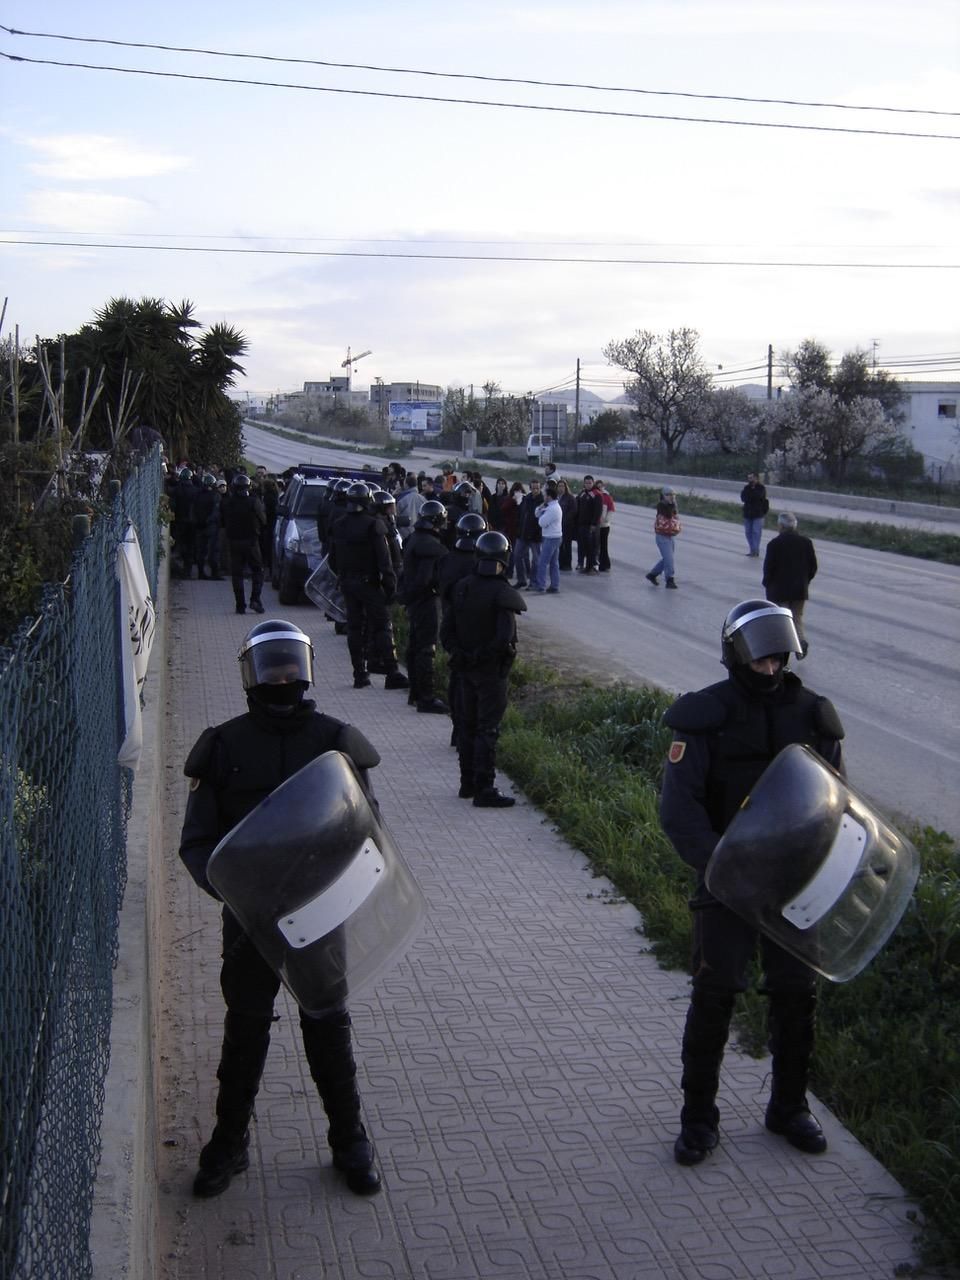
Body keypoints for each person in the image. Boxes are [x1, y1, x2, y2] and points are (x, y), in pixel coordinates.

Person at [179, 619, 383, 1198]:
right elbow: (198, 845)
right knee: (244, 1028)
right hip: (249, 919)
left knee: (327, 1026)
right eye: (273, 666)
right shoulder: (222, 746)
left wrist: (334, 882)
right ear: (252, 675)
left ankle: (350, 1140)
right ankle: (229, 1141)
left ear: (308, 668)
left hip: (319, 913)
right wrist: (235, 893)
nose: (283, 676)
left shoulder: (336, 741)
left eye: (291, 664)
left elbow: (368, 828)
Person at [659, 600, 845, 1167]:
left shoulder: (814, 714)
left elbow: (837, 800)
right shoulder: (703, 715)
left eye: (778, 658)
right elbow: (679, 807)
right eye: (761, 659)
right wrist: (718, 866)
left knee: (796, 997)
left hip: (794, 885)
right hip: (727, 880)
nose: (771, 668)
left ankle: (789, 1107)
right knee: (715, 995)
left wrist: (825, 866)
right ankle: (698, 1118)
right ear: (738, 655)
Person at [440, 531, 526, 808]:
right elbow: (504, 638)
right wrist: (480, 656)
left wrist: (462, 654)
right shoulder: (502, 593)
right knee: (487, 730)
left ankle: (467, 783)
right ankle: (484, 787)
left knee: (467, 726)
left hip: (465, 669)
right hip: (489, 672)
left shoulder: (462, 587)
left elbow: (446, 631)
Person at [329, 482, 409, 691]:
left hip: (347, 582)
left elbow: (332, 558)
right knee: (382, 626)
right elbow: (385, 561)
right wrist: (390, 587)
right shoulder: (374, 525)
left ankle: (359, 674)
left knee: (354, 628)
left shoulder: (339, 524)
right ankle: (391, 672)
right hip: (370, 584)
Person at [400, 500, 449, 713]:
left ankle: (415, 692)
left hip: (415, 600)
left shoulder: (414, 539)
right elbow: (425, 578)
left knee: (415, 645)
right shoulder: (430, 545)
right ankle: (425, 697)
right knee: (426, 648)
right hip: (425, 600)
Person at [762, 512, 818, 658]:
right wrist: (805, 581)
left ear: (781, 526)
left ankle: (783, 651)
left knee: (782, 620)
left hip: (779, 590)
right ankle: (800, 642)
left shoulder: (774, 544)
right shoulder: (806, 542)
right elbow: (813, 567)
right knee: (797, 617)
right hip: (800, 589)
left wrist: (767, 584)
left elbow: (769, 568)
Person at [221, 472, 266, 614]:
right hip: (252, 542)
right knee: (257, 571)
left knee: (237, 574)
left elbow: (222, 520)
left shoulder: (228, 502)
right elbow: (263, 520)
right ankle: (255, 599)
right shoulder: (254, 502)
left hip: (234, 542)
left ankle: (240, 605)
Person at [645, 486, 681, 589]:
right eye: (668, 495)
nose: (671, 497)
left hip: (670, 535)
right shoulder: (661, 505)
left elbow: (676, 516)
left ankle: (652, 575)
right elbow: (669, 515)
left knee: (667, 558)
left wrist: (674, 504)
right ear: (663, 496)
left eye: (673, 495)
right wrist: (672, 504)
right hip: (662, 536)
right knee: (669, 559)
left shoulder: (672, 505)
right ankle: (670, 580)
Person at [532, 481, 562, 592]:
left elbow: (541, 522)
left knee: (542, 562)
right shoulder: (549, 506)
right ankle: (554, 585)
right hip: (554, 536)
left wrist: (542, 512)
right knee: (554, 562)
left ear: (549, 497)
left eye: (545, 495)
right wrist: (541, 507)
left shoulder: (553, 509)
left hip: (551, 537)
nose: (543, 497)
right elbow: (536, 513)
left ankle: (541, 585)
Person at [513, 479, 543, 588]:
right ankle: (522, 580)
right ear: (530, 488)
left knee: (536, 560)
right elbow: (521, 514)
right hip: (523, 534)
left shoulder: (542, 501)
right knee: (516, 556)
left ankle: (533, 582)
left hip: (535, 536)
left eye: (537, 488)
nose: (535, 490)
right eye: (533, 488)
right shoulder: (526, 499)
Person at [575, 476, 602, 573]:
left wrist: (594, 524)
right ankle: (583, 565)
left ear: (593, 483)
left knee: (591, 547)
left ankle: (591, 567)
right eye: (586, 483)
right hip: (581, 524)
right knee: (582, 546)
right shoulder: (582, 493)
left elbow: (598, 511)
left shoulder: (596, 494)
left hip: (591, 525)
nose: (588, 485)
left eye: (590, 483)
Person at [741, 473, 769, 557]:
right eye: (749, 478)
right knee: (748, 532)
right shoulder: (746, 488)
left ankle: (755, 550)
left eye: (752, 478)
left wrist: (751, 494)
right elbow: (743, 498)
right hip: (747, 513)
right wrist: (750, 494)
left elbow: (758, 496)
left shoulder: (761, 488)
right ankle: (752, 549)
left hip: (758, 514)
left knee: (756, 532)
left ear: (756, 479)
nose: (750, 480)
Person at [395, 472, 425, 545]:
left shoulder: (402, 498)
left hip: (404, 534)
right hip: (419, 533)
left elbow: (395, 515)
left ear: (406, 485)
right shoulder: (423, 499)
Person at [595, 479, 616, 572]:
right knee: (596, 546)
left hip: (604, 526)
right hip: (596, 525)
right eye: (598, 486)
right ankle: (597, 562)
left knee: (603, 546)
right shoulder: (595, 495)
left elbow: (611, 509)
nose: (600, 488)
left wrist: (606, 519)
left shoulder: (607, 497)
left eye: (601, 486)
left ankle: (605, 564)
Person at [556, 479, 577, 571]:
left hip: (567, 525)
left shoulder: (570, 498)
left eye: (562, 486)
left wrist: (564, 520)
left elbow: (573, 511)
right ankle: (560, 563)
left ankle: (567, 564)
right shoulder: (556, 497)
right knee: (559, 545)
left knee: (567, 545)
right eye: (559, 486)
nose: (561, 488)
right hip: (557, 526)